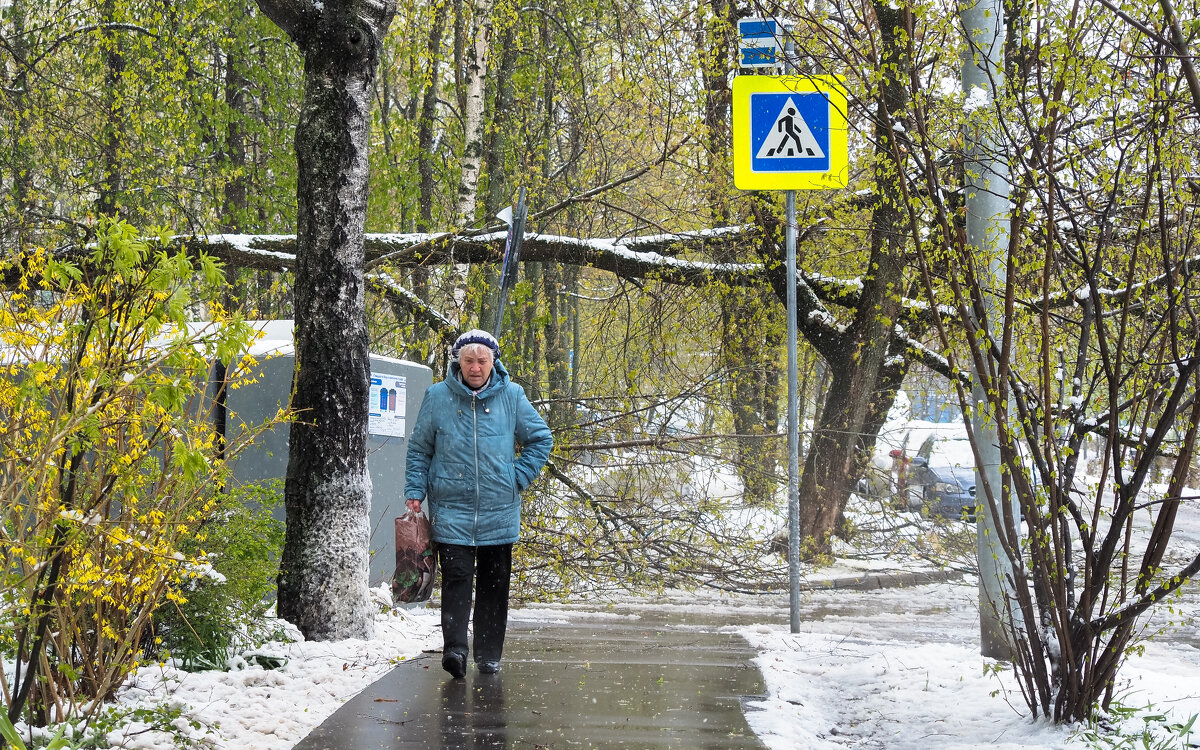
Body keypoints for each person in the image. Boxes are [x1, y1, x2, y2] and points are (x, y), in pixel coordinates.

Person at [404, 329, 553, 678]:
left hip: (499, 511)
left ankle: (488, 656)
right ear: (459, 362)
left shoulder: (512, 396)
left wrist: (517, 477)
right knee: (456, 579)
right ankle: (455, 650)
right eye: (469, 360)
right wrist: (415, 491)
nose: (475, 367)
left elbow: (540, 439)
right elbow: (419, 448)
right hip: (451, 509)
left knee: (494, 584)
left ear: (492, 362)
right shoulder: (438, 396)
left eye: (482, 361)